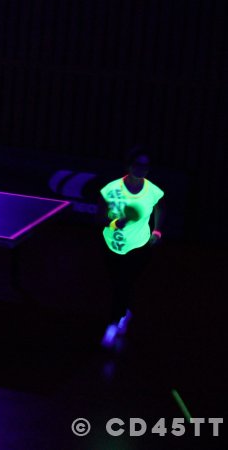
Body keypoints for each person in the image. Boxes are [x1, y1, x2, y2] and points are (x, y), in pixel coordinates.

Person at [97, 146, 165, 348]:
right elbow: (99, 217)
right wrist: (114, 223)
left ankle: (113, 324)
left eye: (146, 165)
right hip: (112, 246)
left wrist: (157, 231)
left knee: (123, 284)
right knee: (118, 283)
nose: (141, 169)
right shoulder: (111, 190)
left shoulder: (153, 191)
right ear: (129, 165)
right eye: (137, 164)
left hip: (139, 246)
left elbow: (160, 208)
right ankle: (124, 311)